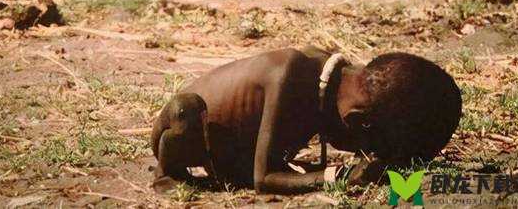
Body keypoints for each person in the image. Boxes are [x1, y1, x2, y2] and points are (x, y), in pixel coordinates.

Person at [151, 47, 462, 194]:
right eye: (368, 147)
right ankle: (167, 174)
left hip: (232, 153)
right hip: (188, 131)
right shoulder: (290, 76)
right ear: (356, 122)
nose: (362, 155)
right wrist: (337, 176)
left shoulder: (336, 83)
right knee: (185, 111)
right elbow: (264, 179)